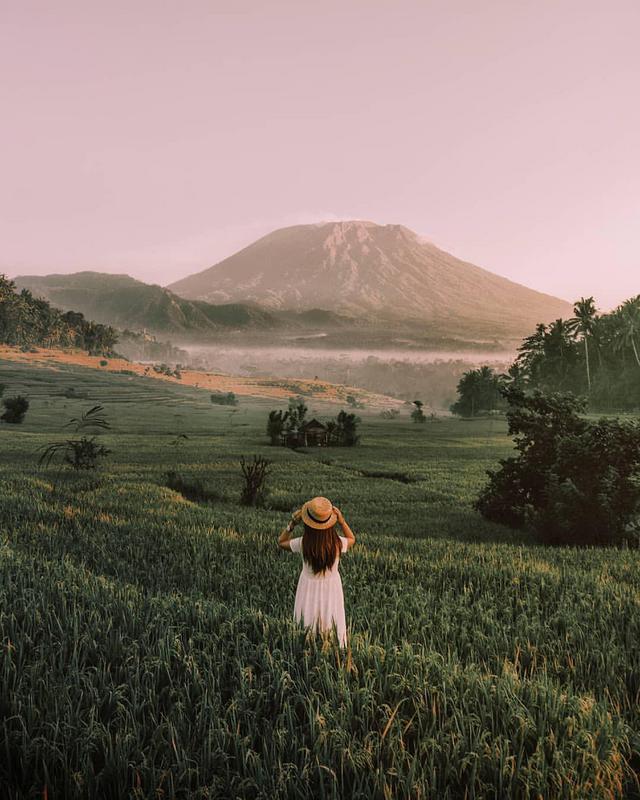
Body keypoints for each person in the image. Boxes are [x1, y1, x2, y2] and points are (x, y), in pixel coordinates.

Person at [278, 496, 355, 647]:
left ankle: (306, 647)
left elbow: (281, 542)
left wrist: (293, 523)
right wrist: (342, 521)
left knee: (307, 622)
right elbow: (352, 538)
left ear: (308, 524)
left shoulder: (303, 543)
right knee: (331, 619)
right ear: (330, 523)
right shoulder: (337, 543)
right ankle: (332, 648)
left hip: (308, 588)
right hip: (331, 587)